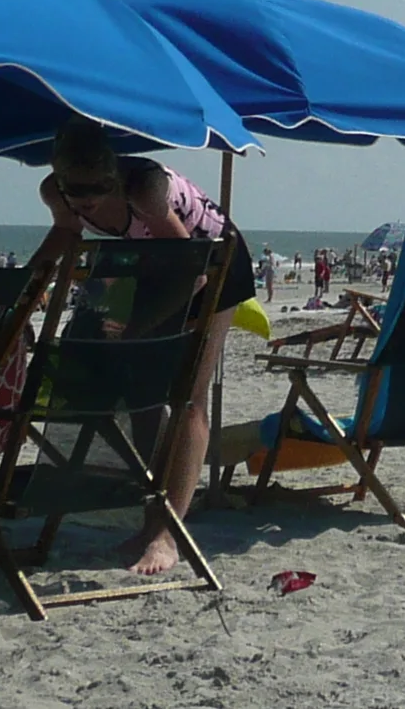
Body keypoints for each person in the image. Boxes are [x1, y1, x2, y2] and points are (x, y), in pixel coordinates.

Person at [39, 118, 255, 576]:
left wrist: (137, 328)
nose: (88, 199)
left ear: (115, 173)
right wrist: (27, 286)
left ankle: (167, 535)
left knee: (188, 398)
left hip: (213, 263)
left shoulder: (145, 190)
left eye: (100, 187)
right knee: (143, 401)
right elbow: (66, 236)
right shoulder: (55, 193)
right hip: (156, 265)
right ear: (58, 179)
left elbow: (192, 271)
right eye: (76, 190)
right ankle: (149, 517)